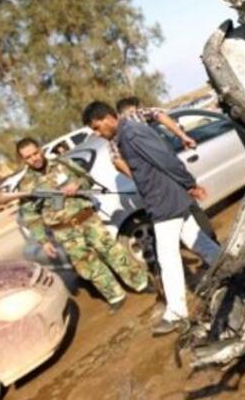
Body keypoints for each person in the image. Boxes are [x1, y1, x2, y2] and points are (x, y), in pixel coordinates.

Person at [82, 101, 222, 336]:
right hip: (162, 197)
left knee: (167, 256)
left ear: (108, 118)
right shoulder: (123, 137)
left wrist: (189, 183)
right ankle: (234, 267)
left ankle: (176, 314)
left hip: (164, 198)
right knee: (197, 241)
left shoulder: (132, 132)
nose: (97, 134)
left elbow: (165, 158)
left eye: (97, 127)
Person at [12, 137, 150, 311]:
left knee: (113, 252)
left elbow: (87, 179)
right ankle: (115, 295)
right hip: (64, 231)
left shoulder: (63, 164)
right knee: (88, 264)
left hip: (87, 219)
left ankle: (140, 283)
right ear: (23, 160)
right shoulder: (25, 186)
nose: (34, 158)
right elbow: (31, 217)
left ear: (40, 149)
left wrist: (77, 184)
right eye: (28, 157)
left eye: (35, 153)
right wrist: (43, 241)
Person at [112, 96, 216, 240]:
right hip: (167, 173)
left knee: (180, 223)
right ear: (132, 107)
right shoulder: (136, 115)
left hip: (153, 188)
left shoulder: (114, 133)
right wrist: (182, 136)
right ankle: (211, 241)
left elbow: (116, 160)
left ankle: (207, 246)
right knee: (191, 209)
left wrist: (136, 176)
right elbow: (159, 115)